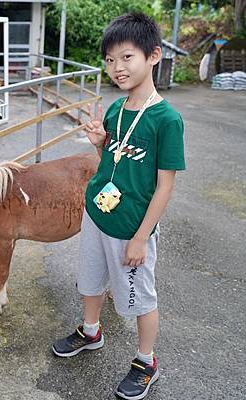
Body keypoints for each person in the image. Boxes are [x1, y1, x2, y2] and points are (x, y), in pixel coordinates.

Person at [52, 12, 185, 400]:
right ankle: (90, 331)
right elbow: (113, 158)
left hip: (132, 226)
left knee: (140, 298)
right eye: (110, 60)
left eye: (126, 57)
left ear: (154, 55)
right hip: (97, 213)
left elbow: (165, 187)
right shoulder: (115, 109)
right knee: (90, 281)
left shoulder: (166, 120)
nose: (116, 68)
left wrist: (141, 237)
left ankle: (147, 361)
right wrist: (98, 143)